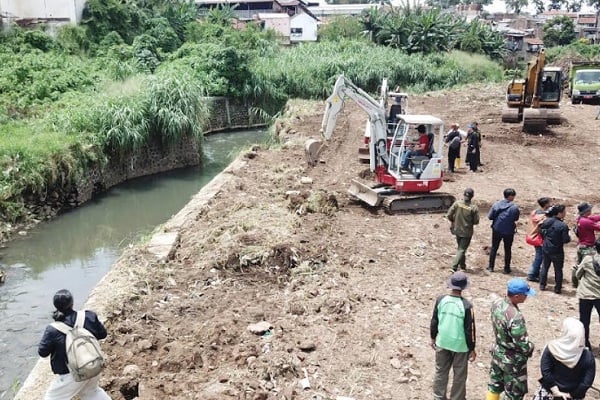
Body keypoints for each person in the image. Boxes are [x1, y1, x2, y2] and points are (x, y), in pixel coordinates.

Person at [38, 289, 111, 400]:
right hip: (93, 364)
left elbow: (42, 352)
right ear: (72, 303)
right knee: (92, 393)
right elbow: (102, 334)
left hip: (71, 374)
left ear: (55, 306)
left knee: (51, 398)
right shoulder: (89, 316)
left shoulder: (52, 330)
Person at [486, 278, 535, 400]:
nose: (526, 297)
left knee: (494, 385)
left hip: (498, 352)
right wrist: (531, 347)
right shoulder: (515, 317)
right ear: (517, 296)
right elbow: (522, 344)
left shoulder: (497, 304)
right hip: (512, 361)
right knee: (514, 394)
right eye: (525, 295)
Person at [430, 271, 476, 400]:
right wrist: (472, 348)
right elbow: (470, 330)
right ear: (464, 287)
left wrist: (433, 337)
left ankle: (438, 397)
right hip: (460, 346)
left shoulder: (441, 300)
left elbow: (434, 321)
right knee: (459, 376)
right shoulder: (466, 305)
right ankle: (457, 397)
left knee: (440, 371)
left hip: (442, 342)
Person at [533, 317, 595, 400]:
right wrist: (571, 395)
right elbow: (586, 383)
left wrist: (556, 391)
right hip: (574, 396)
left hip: (549, 393)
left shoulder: (552, 348)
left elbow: (545, 371)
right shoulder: (588, 356)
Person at [539, 205, 571, 294]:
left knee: (545, 266)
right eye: (564, 212)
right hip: (557, 250)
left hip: (546, 248)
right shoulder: (563, 225)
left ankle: (542, 285)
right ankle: (557, 288)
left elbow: (541, 232)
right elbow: (566, 240)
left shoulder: (547, 221)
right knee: (558, 269)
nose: (565, 213)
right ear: (560, 213)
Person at [487, 188, 520, 274]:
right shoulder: (514, 207)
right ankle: (507, 268)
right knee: (508, 249)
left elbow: (490, 216)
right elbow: (516, 218)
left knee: (494, 247)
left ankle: (491, 267)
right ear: (510, 196)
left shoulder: (496, 204)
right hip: (509, 231)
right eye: (513, 196)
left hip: (497, 229)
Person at [575, 238, 600, 349]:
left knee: (584, 321)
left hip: (585, 294)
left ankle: (585, 345)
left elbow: (578, 274)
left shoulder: (588, 259)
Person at [447, 188, 480, 272]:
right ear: (472, 196)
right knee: (461, 249)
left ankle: (462, 266)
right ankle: (454, 266)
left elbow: (449, 214)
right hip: (467, 231)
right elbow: (476, 221)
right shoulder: (473, 208)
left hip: (457, 229)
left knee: (461, 248)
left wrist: (453, 221)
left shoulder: (457, 204)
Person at [526, 197, 552, 282]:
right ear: (546, 204)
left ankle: (534, 273)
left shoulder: (535, 212)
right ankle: (531, 274)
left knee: (539, 256)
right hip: (540, 238)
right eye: (549, 203)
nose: (550, 204)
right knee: (539, 257)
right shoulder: (544, 216)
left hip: (533, 236)